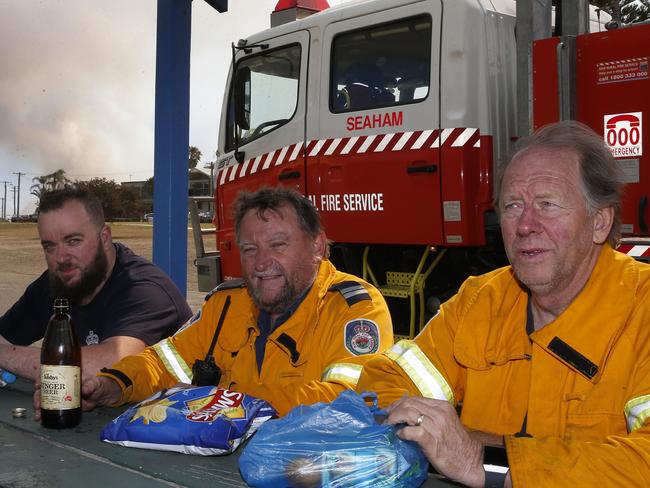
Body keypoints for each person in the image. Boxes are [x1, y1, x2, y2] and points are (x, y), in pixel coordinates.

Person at [356, 120, 650, 487]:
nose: (525, 224)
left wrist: (481, 457)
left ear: (599, 222)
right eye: (513, 205)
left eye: (547, 204)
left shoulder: (642, 308)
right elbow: (383, 383)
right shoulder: (480, 301)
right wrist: (430, 432)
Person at [79, 187, 393, 417]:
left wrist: (222, 401)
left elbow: (350, 400)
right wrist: (116, 383)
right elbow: (163, 362)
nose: (261, 263)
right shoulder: (225, 304)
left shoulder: (354, 308)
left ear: (317, 246)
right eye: (249, 249)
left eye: (278, 244)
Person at [0, 187, 192, 382]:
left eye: (73, 241)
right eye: (50, 246)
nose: (61, 258)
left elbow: (114, 364)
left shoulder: (144, 289)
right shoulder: (57, 282)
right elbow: (5, 337)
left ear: (105, 238)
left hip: (179, 409)